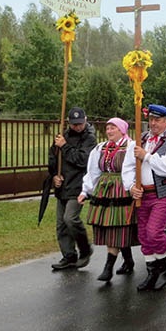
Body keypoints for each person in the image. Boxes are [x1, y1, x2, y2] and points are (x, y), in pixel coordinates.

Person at [122, 104, 166, 291]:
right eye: (151, 119)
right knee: (143, 234)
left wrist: (147, 156)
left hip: (163, 192)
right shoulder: (139, 140)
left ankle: (163, 267)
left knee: (153, 231)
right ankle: (152, 272)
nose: (153, 123)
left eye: (157, 120)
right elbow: (128, 167)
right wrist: (131, 186)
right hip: (143, 193)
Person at [78, 118, 138, 282]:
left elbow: (133, 170)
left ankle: (108, 267)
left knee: (119, 227)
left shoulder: (131, 146)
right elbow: (93, 171)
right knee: (112, 227)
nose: (109, 131)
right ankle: (128, 261)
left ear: (122, 130)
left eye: (113, 128)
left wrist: (132, 187)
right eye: (108, 128)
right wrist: (85, 191)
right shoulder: (101, 148)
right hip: (104, 191)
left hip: (122, 190)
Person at [48, 107, 97, 270]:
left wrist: (65, 147)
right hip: (63, 186)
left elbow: (83, 160)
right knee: (61, 224)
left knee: (71, 218)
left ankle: (85, 248)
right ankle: (69, 256)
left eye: (80, 123)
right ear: (69, 123)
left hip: (79, 186)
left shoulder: (89, 138)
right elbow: (53, 158)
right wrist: (55, 175)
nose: (77, 127)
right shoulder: (63, 137)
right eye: (74, 124)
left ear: (85, 120)